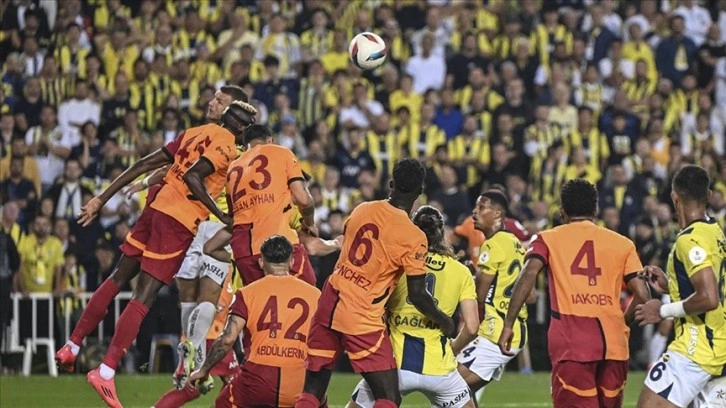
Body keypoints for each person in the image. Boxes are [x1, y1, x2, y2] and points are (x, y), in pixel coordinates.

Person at [55, 97, 255, 408]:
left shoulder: (194, 132)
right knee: (145, 296)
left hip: (155, 207)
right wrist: (221, 213)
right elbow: (193, 176)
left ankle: (72, 344)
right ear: (241, 128)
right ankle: (106, 371)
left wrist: (101, 199)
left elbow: (145, 164)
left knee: (118, 277)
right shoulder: (228, 147)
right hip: (179, 221)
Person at [296, 158, 457, 408]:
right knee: (388, 398)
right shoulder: (413, 236)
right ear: (419, 191)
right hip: (361, 314)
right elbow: (417, 295)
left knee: (313, 390)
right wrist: (444, 320)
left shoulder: (362, 209)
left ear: (391, 183)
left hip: (330, 300)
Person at [498, 178, 650, 408]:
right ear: (595, 209)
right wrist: (622, 321)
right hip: (615, 345)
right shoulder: (623, 244)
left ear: (562, 211)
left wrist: (509, 323)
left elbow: (529, 272)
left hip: (571, 343)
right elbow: (643, 295)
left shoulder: (546, 239)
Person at [348, 205, 479, 408]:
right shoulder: (461, 271)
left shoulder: (396, 265)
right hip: (440, 369)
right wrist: (453, 348)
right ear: (441, 233)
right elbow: (471, 327)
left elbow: (370, 306)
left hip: (394, 367)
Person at [187, 235, 322, 407]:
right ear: (292, 262)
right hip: (299, 380)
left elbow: (228, 339)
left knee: (221, 404)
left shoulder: (246, 293)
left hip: (258, 378)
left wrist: (204, 370)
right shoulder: (315, 295)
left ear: (261, 262)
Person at [635, 164, 726, 408]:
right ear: (708, 196)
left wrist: (662, 310)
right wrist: (672, 285)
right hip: (717, 342)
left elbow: (709, 297)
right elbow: (714, 285)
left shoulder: (689, 239)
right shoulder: (714, 231)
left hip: (696, 349)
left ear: (675, 197)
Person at [209, 124, 317, 286]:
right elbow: (304, 200)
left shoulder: (232, 168)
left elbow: (234, 216)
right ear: (270, 140)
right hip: (278, 244)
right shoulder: (281, 152)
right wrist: (310, 223)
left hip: (244, 251)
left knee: (262, 298)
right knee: (307, 293)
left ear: (245, 146)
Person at [456, 190, 535, 396]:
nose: (475, 212)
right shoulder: (514, 243)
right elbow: (530, 295)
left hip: (497, 332)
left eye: (482, 207)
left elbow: (479, 296)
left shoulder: (492, 245)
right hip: (513, 329)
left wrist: (465, 278)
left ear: (498, 213)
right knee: (462, 394)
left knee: (450, 386)